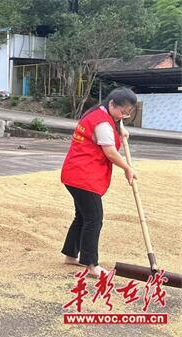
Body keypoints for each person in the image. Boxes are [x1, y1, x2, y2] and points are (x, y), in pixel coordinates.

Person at [60, 87, 138, 277]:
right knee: (94, 219)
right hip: (82, 176)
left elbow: (115, 123)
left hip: (76, 172)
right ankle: (91, 264)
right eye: (122, 111)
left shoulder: (101, 112)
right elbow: (110, 152)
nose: (123, 116)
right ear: (112, 104)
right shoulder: (101, 122)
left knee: (82, 217)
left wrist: (121, 129)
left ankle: (71, 255)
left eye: (127, 114)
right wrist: (128, 168)